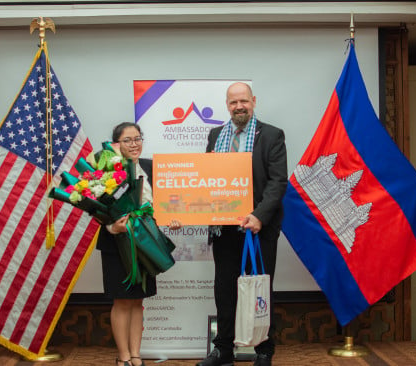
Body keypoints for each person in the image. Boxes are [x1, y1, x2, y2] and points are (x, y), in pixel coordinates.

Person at [197, 83, 287, 366]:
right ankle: (223, 349)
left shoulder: (271, 135)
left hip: (257, 229)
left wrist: (259, 215)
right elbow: (208, 179)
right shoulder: (215, 135)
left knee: (260, 288)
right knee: (224, 290)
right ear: (227, 105)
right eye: (234, 102)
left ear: (253, 101)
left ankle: (263, 349)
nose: (239, 106)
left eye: (244, 101)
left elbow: (277, 181)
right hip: (224, 229)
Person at [96, 122, 182, 366]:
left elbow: (164, 204)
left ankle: (136, 354)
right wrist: (114, 227)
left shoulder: (151, 167)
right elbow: (97, 210)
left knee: (137, 301)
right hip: (116, 243)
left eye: (137, 138)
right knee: (122, 300)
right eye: (127, 140)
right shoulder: (107, 172)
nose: (134, 144)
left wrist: (172, 218)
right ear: (116, 145)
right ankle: (123, 356)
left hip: (145, 245)